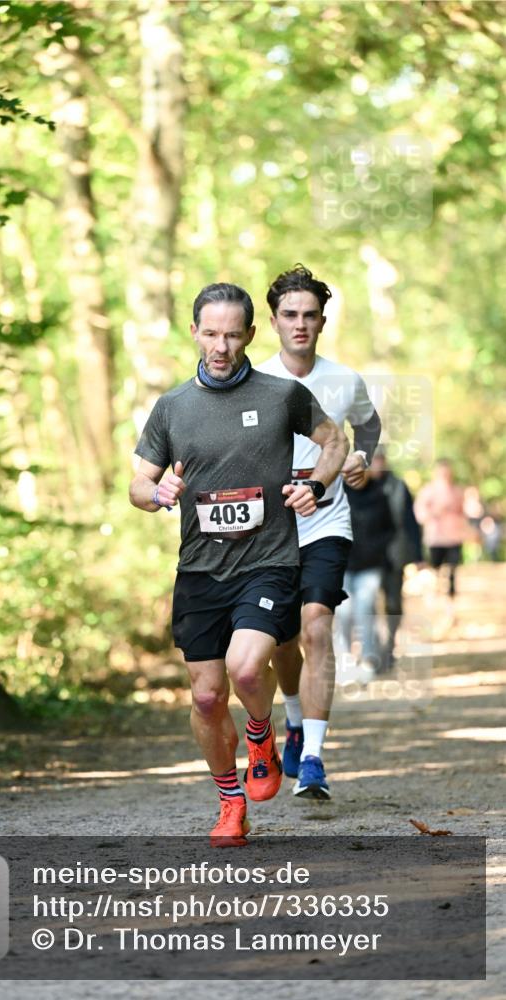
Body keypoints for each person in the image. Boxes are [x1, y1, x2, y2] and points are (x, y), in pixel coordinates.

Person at [129, 282, 348, 847]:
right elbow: (136, 483)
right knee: (205, 696)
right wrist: (158, 493)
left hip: (268, 562)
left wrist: (316, 486)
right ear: (195, 332)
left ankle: (260, 733)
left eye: (232, 334)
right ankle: (230, 803)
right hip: (200, 570)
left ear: (251, 334)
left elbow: (334, 442)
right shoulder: (173, 407)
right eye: (210, 333)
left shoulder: (281, 395)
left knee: (248, 668)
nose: (221, 346)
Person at [257, 264, 381, 800]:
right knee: (282, 641)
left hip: (328, 518)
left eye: (310, 315)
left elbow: (370, 426)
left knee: (316, 626)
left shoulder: (344, 379)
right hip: (271, 530)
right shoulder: (254, 380)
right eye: (290, 315)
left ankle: (312, 759)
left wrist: (359, 456)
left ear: (322, 321)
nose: (300, 324)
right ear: (273, 321)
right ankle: (292, 719)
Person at [334, 474, 395, 681]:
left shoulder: (379, 493)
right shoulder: (336, 491)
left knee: (364, 611)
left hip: (371, 565)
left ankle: (368, 660)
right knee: (343, 613)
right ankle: (345, 662)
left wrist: (376, 549)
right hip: (343, 564)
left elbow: (390, 528)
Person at [369, 447, 423, 670]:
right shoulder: (357, 487)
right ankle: (372, 650)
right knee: (367, 604)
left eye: (381, 459)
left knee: (393, 603)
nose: (378, 464)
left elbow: (411, 522)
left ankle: (389, 647)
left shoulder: (398, 486)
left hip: (394, 555)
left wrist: (418, 555)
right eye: (374, 460)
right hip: (366, 557)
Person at [414, 459, 467, 598]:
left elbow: (463, 514)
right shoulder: (427, 491)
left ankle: (450, 605)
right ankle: (435, 597)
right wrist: (435, 512)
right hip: (435, 539)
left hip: (454, 538)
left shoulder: (457, 491)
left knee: (452, 572)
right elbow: (420, 515)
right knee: (435, 571)